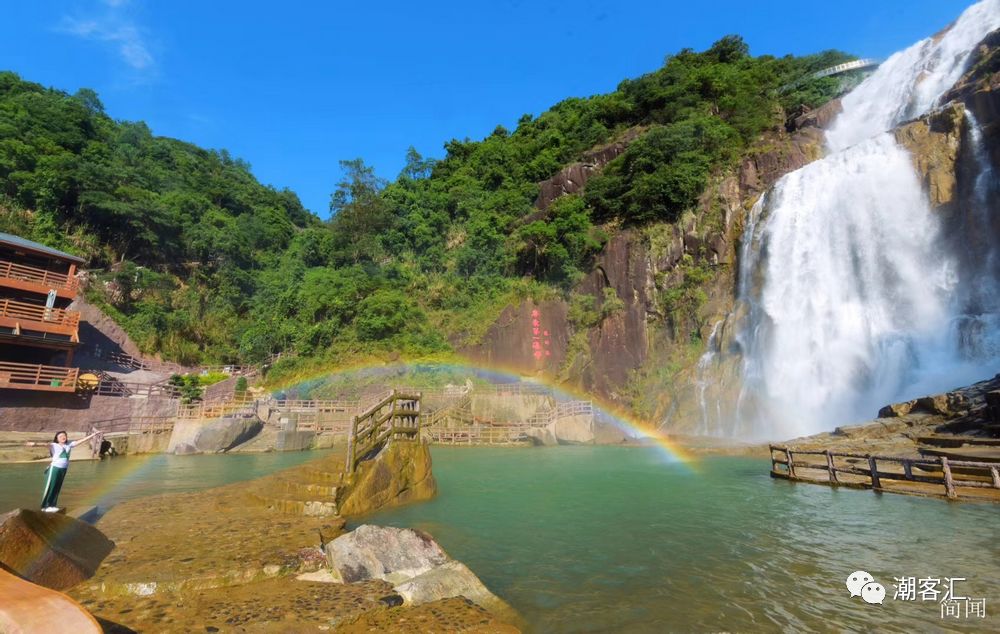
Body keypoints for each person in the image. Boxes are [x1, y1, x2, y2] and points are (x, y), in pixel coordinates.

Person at [27, 429, 101, 512]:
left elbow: (81, 441)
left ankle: (52, 505)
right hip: (54, 468)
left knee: (57, 487)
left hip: (63, 469)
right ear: (57, 438)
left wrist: (93, 435)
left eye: (64, 436)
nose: (63, 437)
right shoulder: (54, 445)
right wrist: (34, 444)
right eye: (60, 436)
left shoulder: (69, 445)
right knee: (51, 486)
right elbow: (45, 444)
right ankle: (45, 506)